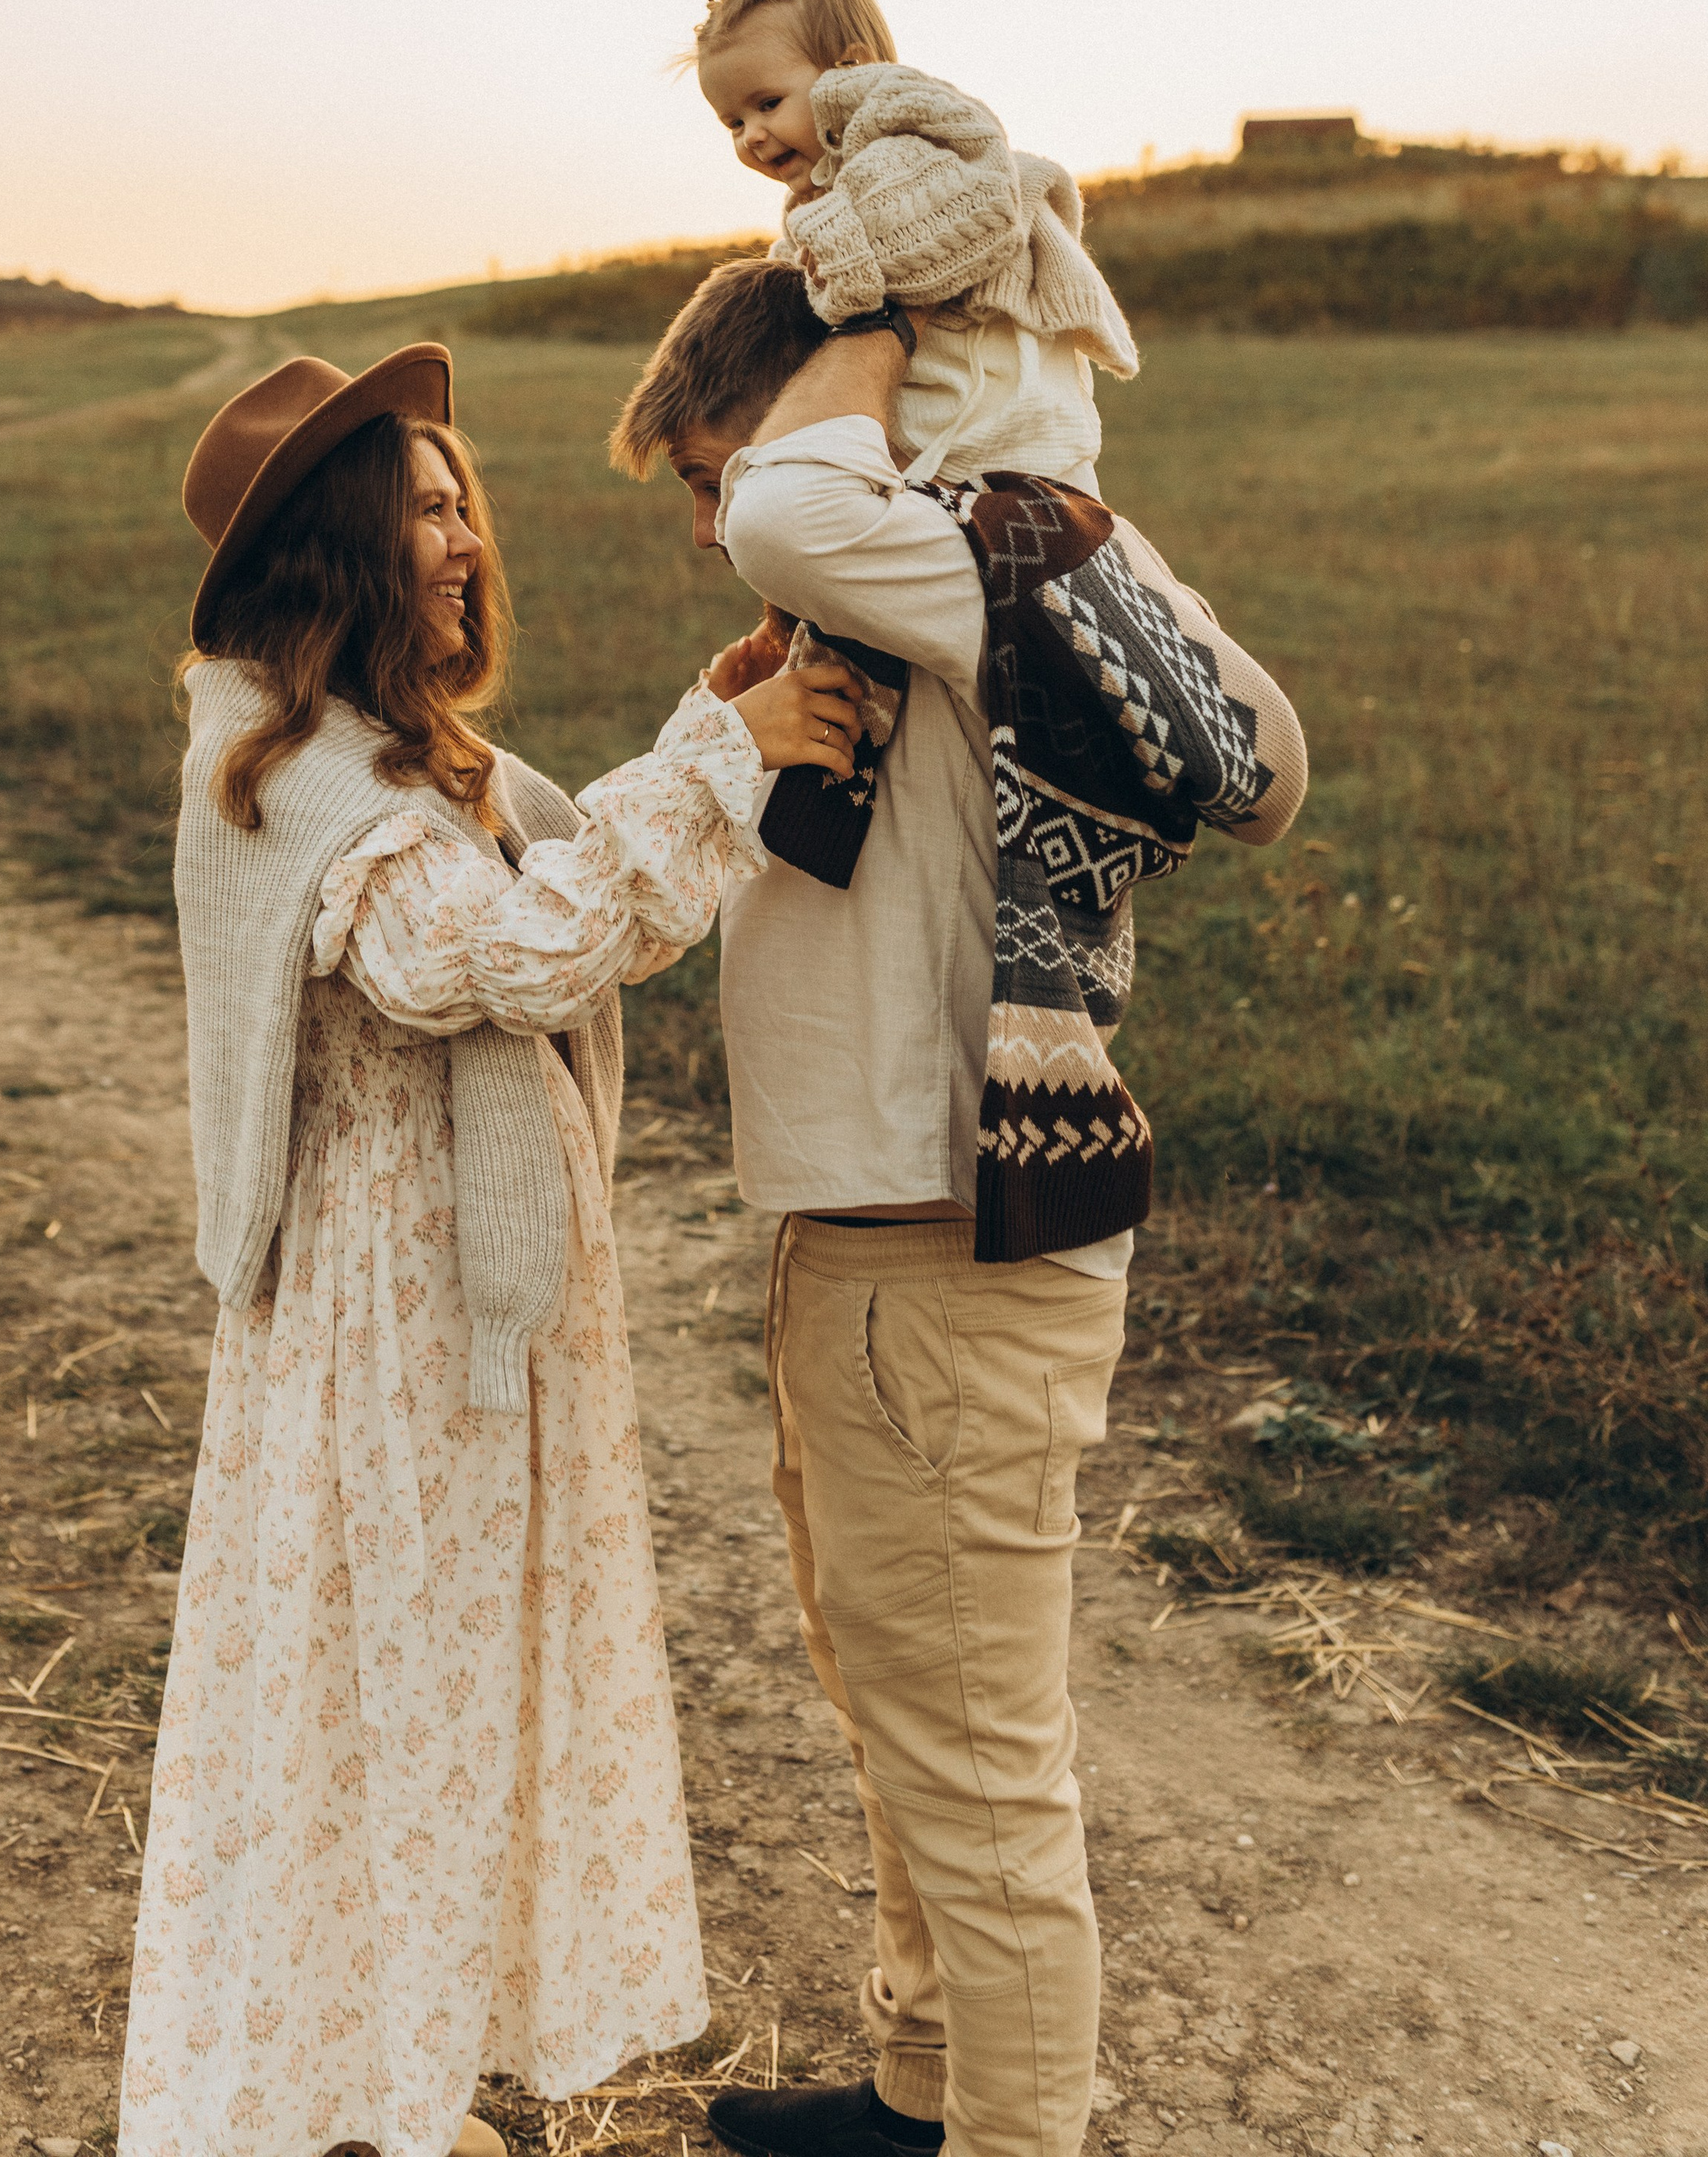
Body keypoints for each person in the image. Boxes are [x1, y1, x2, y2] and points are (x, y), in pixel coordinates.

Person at [118, 345, 863, 2157]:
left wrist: (712, 719)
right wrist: (712, 758)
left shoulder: (394, 750)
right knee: (398, 1695)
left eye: (465, 497)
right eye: (430, 503)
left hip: (465, 1290)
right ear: (345, 544)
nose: (469, 534)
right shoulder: (287, 771)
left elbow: (568, 876)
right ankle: (355, 2092)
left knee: (445, 1692)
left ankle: (401, 2073)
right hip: (391, 1304)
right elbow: (501, 954)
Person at [612, 268, 1308, 2157]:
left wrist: (882, 401)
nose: (707, 527)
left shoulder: (956, 568)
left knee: (980, 1767)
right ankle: (917, 2085)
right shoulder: (930, 593)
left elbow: (1262, 757)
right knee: (894, 1689)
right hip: (873, 1241)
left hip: (944, 1250)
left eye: (714, 471)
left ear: (830, 438)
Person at [683, 0, 1137, 491]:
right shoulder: (824, 196)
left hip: (1022, 440)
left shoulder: (909, 138)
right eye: (733, 124)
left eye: (768, 104)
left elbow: (956, 217)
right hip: (950, 447)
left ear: (850, 68)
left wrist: (831, 263)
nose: (754, 137)